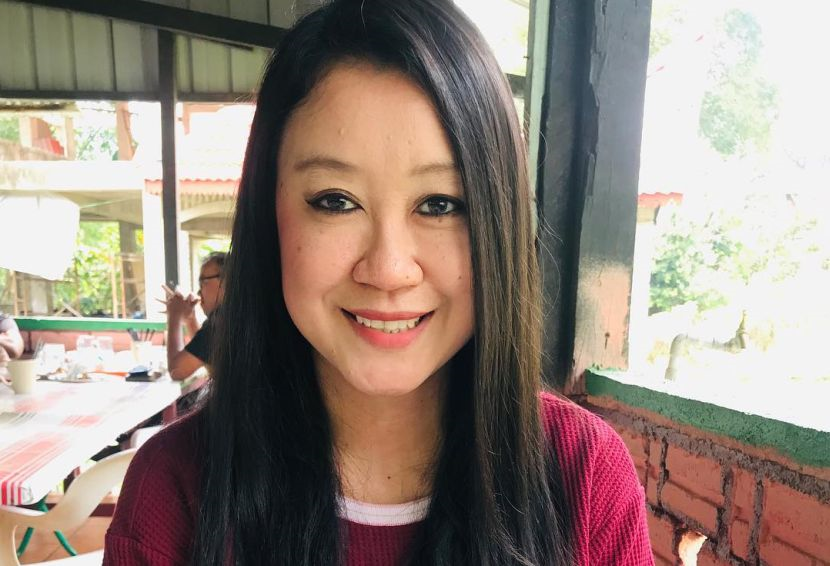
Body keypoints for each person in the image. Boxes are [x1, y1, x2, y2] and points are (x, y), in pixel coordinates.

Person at [105, 1, 653, 564]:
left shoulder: (585, 477)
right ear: (269, 216)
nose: (389, 269)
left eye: (440, 204)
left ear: (499, 224)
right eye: (335, 201)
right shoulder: (172, 489)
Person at [163, 252, 226, 380]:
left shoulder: (221, 324)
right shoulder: (234, 316)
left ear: (226, 281)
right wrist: (190, 319)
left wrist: (174, 317)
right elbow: (205, 354)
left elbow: (176, 371)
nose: (199, 291)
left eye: (203, 282)